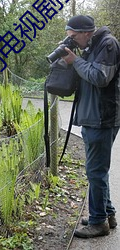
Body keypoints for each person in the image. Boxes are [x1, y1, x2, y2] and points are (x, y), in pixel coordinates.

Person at [62, 15, 120, 238]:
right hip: (92, 117)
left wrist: (75, 61)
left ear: (86, 32)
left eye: (74, 37)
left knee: (95, 171)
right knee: (97, 171)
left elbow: (99, 77)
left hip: (102, 118)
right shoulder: (91, 46)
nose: (73, 41)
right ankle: (107, 214)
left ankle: (98, 223)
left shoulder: (108, 44)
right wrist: (72, 60)